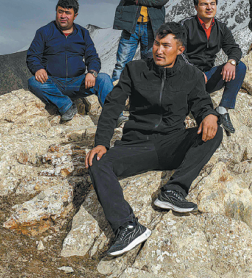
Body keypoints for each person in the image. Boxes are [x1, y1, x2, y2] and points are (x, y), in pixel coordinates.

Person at [85, 22, 223, 257]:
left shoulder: (190, 75)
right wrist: (101, 142)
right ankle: (127, 227)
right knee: (97, 161)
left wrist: (209, 115)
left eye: (165, 46)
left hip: (171, 144)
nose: (158, 50)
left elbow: (201, 103)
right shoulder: (134, 69)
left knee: (214, 131)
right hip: (135, 146)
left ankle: (174, 190)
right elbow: (113, 106)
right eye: (157, 44)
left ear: (180, 50)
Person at [26, 0, 113, 121]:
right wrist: (38, 68)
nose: (63, 16)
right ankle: (66, 105)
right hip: (53, 82)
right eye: (60, 12)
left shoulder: (83, 33)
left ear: (75, 16)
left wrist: (92, 72)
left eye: (68, 13)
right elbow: (32, 56)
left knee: (104, 79)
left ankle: (115, 116)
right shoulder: (44, 32)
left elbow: (92, 57)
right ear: (56, 12)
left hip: (78, 82)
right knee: (33, 82)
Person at [180, 0, 246, 135]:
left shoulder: (221, 28)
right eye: (204, 4)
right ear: (196, 7)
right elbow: (178, 54)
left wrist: (232, 62)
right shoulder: (186, 25)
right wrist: (195, 73)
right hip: (187, 78)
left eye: (212, 3)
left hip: (207, 78)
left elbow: (234, 49)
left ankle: (223, 109)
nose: (209, 7)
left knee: (240, 66)